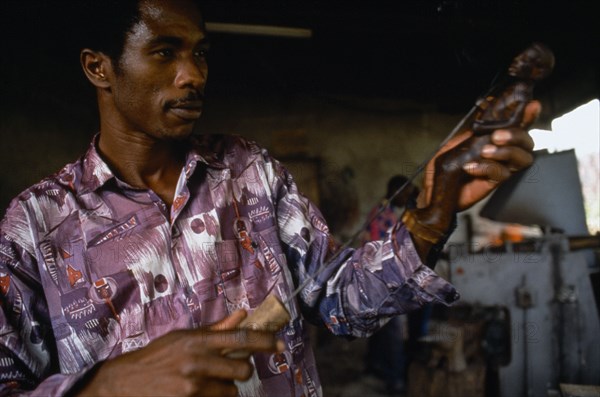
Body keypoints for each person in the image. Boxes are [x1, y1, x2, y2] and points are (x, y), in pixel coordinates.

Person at [0, 0, 539, 396]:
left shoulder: (249, 171)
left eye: (200, 54)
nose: (193, 75)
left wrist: (436, 210)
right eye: (164, 52)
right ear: (100, 68)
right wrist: (106, 388)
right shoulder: (35, 224)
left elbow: (335, 302)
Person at [361, 175, 429, 394]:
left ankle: (374, 366)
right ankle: (396, 380)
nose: (408, 198)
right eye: (407, 194)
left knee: (380, 327)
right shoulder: (384, 216)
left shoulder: (385, 212)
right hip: (384, 282)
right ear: (397, 193)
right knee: (395, 331)